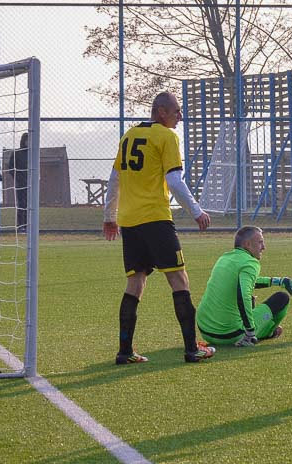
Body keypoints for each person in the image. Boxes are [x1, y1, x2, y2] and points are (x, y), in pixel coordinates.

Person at [103, 91, 215, 365]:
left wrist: (110, 215)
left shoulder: (128, 135)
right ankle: (192, 348)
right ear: (161, 111)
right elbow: (175, 181)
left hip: (130, 222)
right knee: (179, 280)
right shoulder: (167, 137)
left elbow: (115, 177)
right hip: (155, 218)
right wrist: (197, 211)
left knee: (135, 282)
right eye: (176, 111)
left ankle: (124, 351)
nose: (180, 116)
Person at [196, 226, 292, 347]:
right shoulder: (250, 262)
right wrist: (249, 333)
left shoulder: (224, 258)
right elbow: (243, 296)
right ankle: (268, 332)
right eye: (260, 242)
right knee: (282, 298)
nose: (264, 247)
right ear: (247, 244)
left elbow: (245, 282)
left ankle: (264, 330)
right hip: (230, 334)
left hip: (205, 330)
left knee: (249, 301)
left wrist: (280, 281)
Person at [8, 132, 28, 232]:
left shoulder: (33, 153)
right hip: (21, 183)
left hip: (31, 184)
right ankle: (21, 226)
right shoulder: (16, 153)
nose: (28, 142)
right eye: (26, 139)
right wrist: (18, 177)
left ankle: (29, 225)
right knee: (22, 204)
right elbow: (10, 168)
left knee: (30, 205)